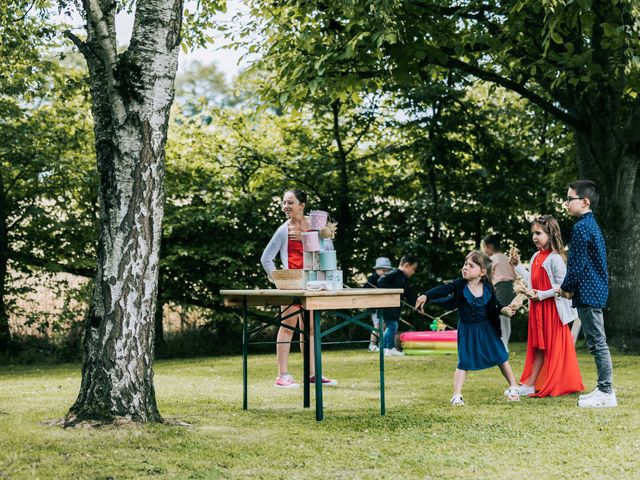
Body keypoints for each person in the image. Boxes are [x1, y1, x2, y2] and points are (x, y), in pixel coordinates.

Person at [415, 251, 520, 405]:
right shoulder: (459, 285)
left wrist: (504, 310)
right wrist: (426, 296)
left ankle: (513, 387)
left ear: (483, 272)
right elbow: (444, 289)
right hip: (467, 330)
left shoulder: (488, 288)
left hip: (487, 329)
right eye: (465, 264)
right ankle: (456, 395)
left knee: (500, 356)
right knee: (464, 361)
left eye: (471, 266)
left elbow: (495, 307)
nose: (465, 268)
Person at [261, 189, 337, 389]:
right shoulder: (283, 230)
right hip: (292, 285)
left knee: (310, 330)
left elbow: (328, 250)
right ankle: (282, 375)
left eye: (290, 203)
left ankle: (313, 374)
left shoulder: (316, 225)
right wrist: (279, 280)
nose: (286, 206)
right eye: (284, 203)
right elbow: (266, 258)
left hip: (313, 283)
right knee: (287, 328)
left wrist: (309, 237)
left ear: (301, 206)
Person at [509, 215, 585, 397]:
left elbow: (562, 286)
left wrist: (540, 295)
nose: (534, 237)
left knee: (552, 347)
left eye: (538, 233)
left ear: (550, 235)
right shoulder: (536, 256)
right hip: (538, 309)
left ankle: (556, 382)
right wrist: (518, 266)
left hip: (551, 310)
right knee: (537, 347)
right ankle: (531, 383)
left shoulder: (555, 258)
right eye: (533, 233)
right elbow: (532, 280)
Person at [557, 180, 616, 408]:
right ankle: (603, 388)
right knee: (596, 343)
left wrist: (566, 287)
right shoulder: (591, 225)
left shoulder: (582, 227)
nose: (566, 204)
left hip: (589, 292)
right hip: (593, 290)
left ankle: (606, 391)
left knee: (598, 344)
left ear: (584, 201)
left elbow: (577, 264)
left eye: (570, 199)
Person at [377, 254, 418, 356]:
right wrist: (392, 293)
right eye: (413, 269)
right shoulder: (394, 273)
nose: (414, 272)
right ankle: (389, 348)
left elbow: (408, 293)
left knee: (391, 326)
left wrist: (416, 306)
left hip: (394, 308)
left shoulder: (403, 278)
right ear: (407, 265)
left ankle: (385, 348)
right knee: (392, 326)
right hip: (387, 305)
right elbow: (381, 281)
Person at [483, 234, 517, 350]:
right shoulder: (505, 257)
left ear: (489, 246)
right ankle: (504, 343)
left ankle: (502, 345)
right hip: (510, 288)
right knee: (506, 316)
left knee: (500, 315)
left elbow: (488, 277)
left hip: (501, 287)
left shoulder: (493, 259)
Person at [363, 257, 393, 352]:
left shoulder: (387, 279)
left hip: (384, 306)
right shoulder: (372, 279)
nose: (385, 272)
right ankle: (372, 345)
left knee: (383, 325)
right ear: (377, 270)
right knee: (377, 325)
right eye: (383, 270)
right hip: (375, 307)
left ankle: (381, 344)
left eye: (387, 271)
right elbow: (365, 289)